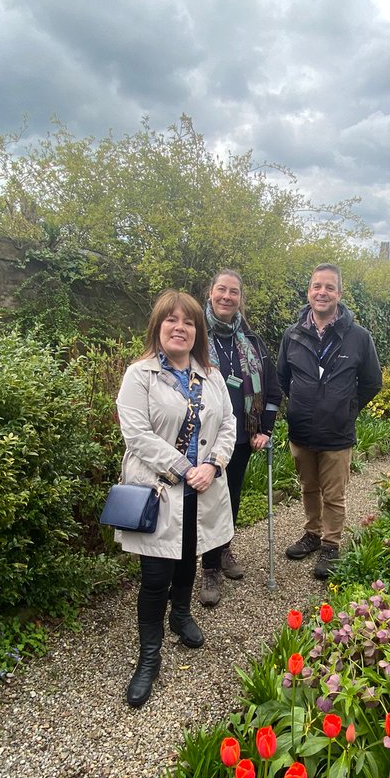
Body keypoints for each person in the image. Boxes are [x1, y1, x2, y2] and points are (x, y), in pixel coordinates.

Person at [115, 290, 237, 708]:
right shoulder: (139, 375)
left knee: (189, 557)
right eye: (171, 320)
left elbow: (229, 424)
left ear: (197, 331)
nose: (179, 327)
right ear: (158, 326)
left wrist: (214, 465)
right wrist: (185, 468)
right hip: (160, 491)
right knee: (154, 577)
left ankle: (181, 615)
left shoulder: (212, 376)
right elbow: (137, 436)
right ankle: (149, 658)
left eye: (188, 321)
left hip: (202, 490)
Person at [277, 263, 383, 579]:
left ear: (339, 293)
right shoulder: (292, 335)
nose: (322, 292)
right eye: (316, 286)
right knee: (308, 487)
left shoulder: (358, 337)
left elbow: (372, 382)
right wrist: (301, 403)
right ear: (309, 292)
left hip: (337, 432)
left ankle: (331, 544)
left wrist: (346, 408)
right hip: (302, 430)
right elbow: (284, 377)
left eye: (329, 287)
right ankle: (312, 534)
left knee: (334, 495)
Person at [199, 269, 282, 606]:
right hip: (204, 439)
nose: (227, 297)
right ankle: (209, 568)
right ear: (210, 293)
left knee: (230, 498)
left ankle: (224, 551)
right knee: (207, 502)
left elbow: (273, 389)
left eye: (234, 292)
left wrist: (264, 429)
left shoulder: (253, 343)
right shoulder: (196, 338)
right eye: (221, 290)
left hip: (242, 438)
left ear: (240, 299)